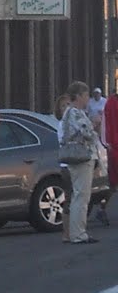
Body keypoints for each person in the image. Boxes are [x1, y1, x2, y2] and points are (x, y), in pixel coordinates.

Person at [57, 81, 102, 246]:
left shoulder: (73, 112)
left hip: (81, 158)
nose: (88, 98)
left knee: (80, 195)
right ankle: (78, 233)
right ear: (78, 96)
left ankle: (78, 232)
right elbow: (87, 132)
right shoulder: (75, 113)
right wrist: (95, 124)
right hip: (81, 158)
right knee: (81, 196)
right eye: (85, 95)